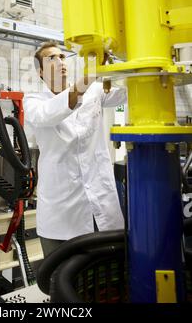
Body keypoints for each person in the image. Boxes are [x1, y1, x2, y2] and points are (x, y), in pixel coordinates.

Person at [23, 41, 126, 257]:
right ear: (40, 71)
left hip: (101, 203)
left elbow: (129, 91)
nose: (60, 61)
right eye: (52, 58)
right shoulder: (33, 101)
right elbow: (51, 113)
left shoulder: (95, 91)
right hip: (61, 213)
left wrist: (119, 60)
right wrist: (90, 75)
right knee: (62, 279)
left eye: (62, 56)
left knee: (108, 275)